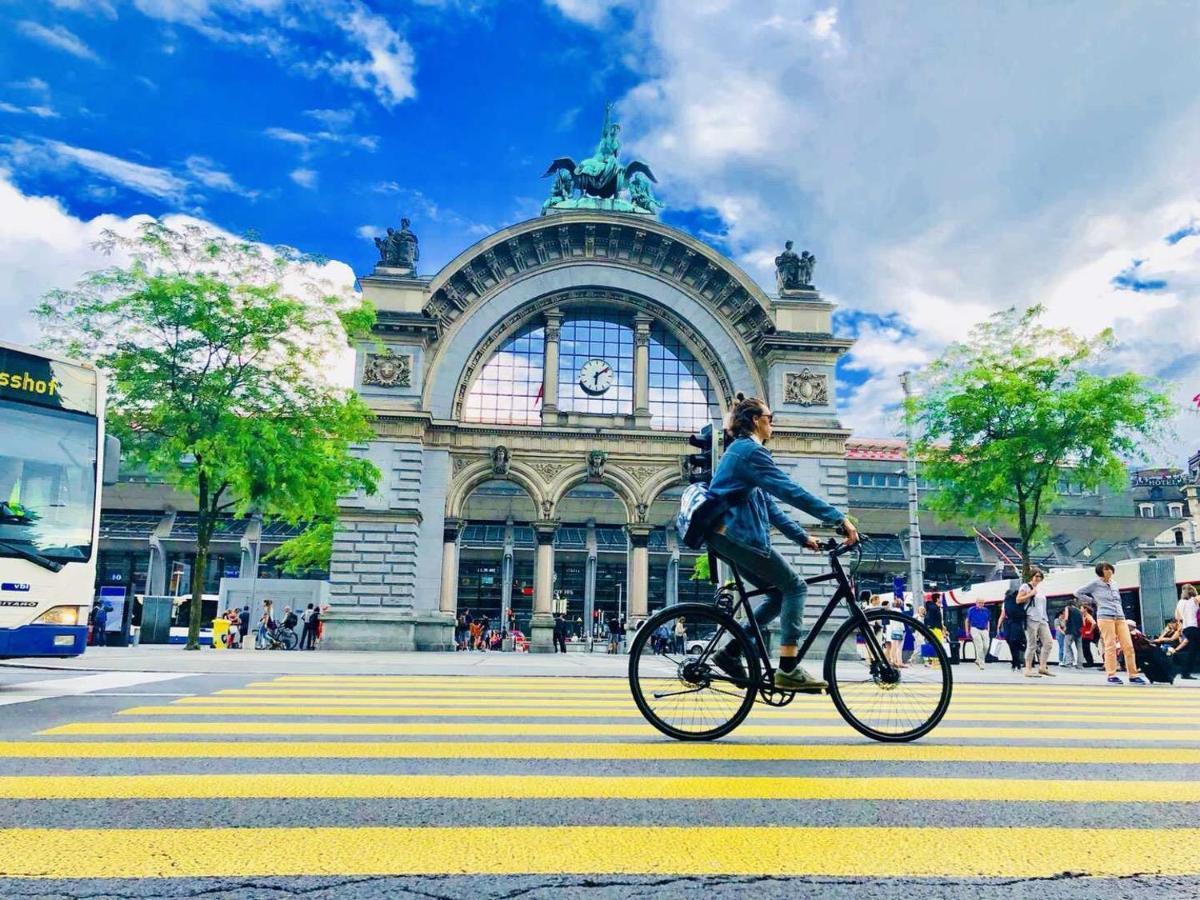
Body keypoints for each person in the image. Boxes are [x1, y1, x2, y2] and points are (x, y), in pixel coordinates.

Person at [705, 395, 857, 693]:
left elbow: (771, 508)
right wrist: (839, 519)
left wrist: (804, 538)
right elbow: (791, 491)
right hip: (736, 535)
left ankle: (732, 651)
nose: (772, 423)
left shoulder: (744, 454)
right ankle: (787, 668)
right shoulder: (749, 452)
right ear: (755, 421)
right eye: (769, 418)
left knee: (777, 594)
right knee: (796, 587)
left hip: (727, 536)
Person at [1075, 561, 1146, 685]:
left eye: (1110, 569)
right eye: (1106, 569)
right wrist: (1093, 601)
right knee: (1110, 646)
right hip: (1105, 617)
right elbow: (1077, 592)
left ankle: (1133, 675)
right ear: (1100, 571)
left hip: (1120, 616)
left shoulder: (1114, 584)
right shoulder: (1095, 584)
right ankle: (1111, 675)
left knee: (1128, 646)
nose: (1109, 571)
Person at [1018, 569, 1054, 677]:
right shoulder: (1025, 586)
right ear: (1031, 576)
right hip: (1031, 618)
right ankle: (1028, 669)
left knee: (1048, 643)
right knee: (1032, 644)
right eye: (1036, 576)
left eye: (1040, 576)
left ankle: (1042, 667)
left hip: (1042, 619)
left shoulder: (1041, 589)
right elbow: (1018, 600)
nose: (1038, 578)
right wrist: (1030, 594)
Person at [1173, 584, 1200, 679]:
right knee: (1192, 651)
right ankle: (1185, 672)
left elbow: (1177, 617)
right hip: (1195, 628)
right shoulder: (1195, 599)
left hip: (1186, 629)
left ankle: (1185, 673)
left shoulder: (1179, 603)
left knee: (1192, 651)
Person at [966, 598, 990, 670]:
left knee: (986, 646)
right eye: (979, 603)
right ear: (976, 603)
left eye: (982, 603)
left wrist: (988, 630)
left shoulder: (986, 610)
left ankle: (978, 659)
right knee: (979, 645)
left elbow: (988, 621)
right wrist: (967, 631)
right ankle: (982, 663)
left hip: (984, 629)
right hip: (974, 628)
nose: (981, 604)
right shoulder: (971, 610)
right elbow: (967, 621)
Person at [1064, 600, 1083, 669]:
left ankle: (1069, 662)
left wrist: (1065, 626)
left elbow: (1066, 618)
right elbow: (1083, 622)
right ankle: (1080, 664)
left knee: (1067, 647)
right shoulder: (1079, 611)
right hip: (1078, 632)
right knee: (1080, 648)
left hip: (1069, 631)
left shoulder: (1067, 608)